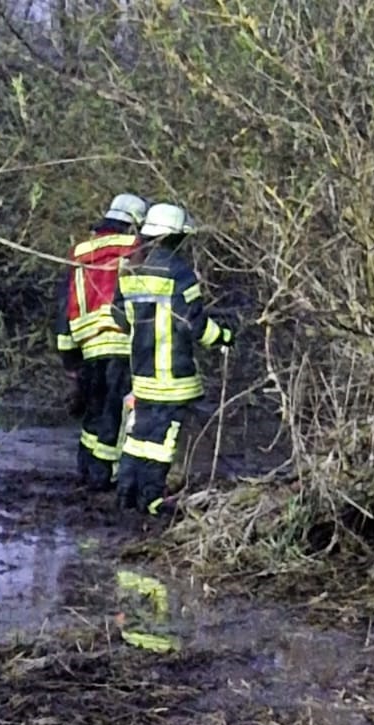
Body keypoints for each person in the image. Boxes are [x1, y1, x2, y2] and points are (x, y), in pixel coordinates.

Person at [110, 202, 234, 516]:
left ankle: (126, 493)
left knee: (138, 436)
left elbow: (121, 317)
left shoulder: (131, 270)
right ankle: (151, 498)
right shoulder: (178, 272)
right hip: (173, 378)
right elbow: (193, 323)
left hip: (142, 373)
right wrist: (222, 336)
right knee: (163, 442)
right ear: (174, 237)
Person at [54, 192, 148, 491]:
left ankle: (86, 469)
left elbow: (65, 304)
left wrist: (68, 356)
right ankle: (102, 477)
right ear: (134, 223)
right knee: (115, 412)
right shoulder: (135, 248)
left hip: (88, 344)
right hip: (121, 341)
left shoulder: (80, 252)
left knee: (94, 409)